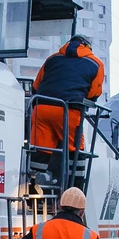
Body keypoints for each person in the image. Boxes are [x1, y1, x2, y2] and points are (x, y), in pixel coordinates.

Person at [29, 36, 105, 183]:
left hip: (41, 109)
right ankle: (74, 192)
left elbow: (36, 86)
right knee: (75, 151)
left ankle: (34, 188)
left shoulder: (52, 59)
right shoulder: (96, 63)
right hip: (68, 112)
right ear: (88, 47)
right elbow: (94, 93)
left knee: (40, 151)